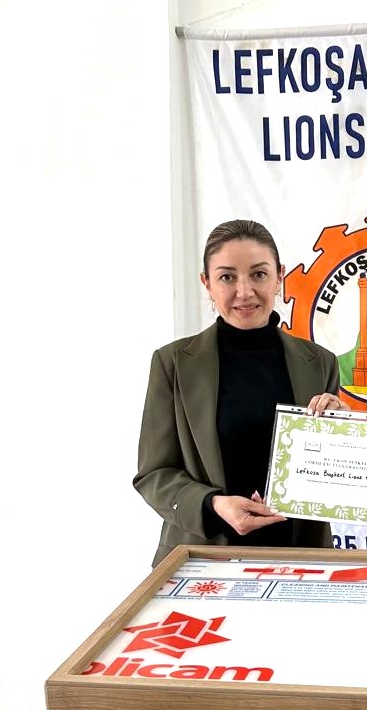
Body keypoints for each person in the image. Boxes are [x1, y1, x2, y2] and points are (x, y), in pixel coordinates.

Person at [134, 219, 343, 566]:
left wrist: (344, 430)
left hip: (302, 558)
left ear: (279, 277)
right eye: (227, 277)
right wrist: (213, 504)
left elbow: (333, 475)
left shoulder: (320, 363)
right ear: (207, 283)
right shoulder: (173, 364)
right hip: (202, 559)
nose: (244, 292)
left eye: (258, 274)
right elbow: (154, 474)